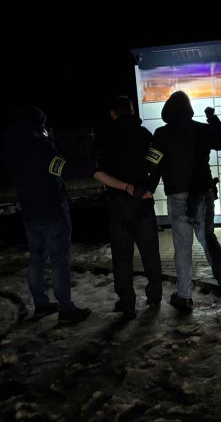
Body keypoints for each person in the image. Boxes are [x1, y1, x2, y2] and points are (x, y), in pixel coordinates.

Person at [144, 91, 221, 309]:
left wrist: (148, 189)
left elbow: (153, 165)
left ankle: (184, 295)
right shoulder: (203, 129)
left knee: (182, 247)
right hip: (203, 193)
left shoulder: (162, 133)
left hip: (177, 196)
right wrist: (212, 118)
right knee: (208, 239)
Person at [3, 104, 93, 324]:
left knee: (36, 260)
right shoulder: (39, 146)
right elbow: (62, 169)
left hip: (30, 213)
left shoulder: (11, 146)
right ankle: (66, 310)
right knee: (60, 262)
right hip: (52, 210)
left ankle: (41, 305)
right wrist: (93, 165)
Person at [91, 96, 162, 320]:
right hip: (144, 200)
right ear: (132, 111)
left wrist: (124, 187)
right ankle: (155, 296)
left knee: (122, 254)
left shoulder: (104, 136)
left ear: (112, 113)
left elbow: (98, 172)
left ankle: (127, 303)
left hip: (119, 203)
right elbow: (157, 164)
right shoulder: (145, 134)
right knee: (150, 251)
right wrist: (149, 189)